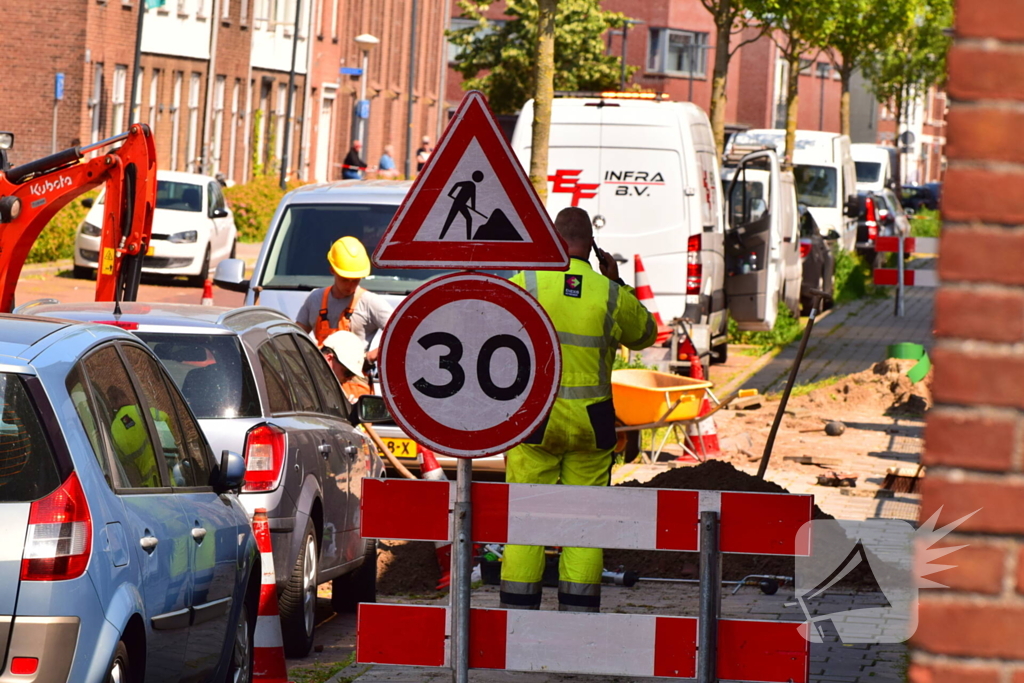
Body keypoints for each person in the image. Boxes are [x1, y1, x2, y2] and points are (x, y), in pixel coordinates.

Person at [500, 206, 657, 613]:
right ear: (592, 247)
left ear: (552, 242)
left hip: (536, 418)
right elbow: (645, 335)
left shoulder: (525, 282)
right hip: (592, 422)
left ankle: (518, 613)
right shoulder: (608, 293)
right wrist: (617, 280)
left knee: (526, 520)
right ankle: (578, 614)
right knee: (585, 523)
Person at [295, 236, 392, 361]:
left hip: (356, 378)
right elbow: (296, 337)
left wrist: (369, 357)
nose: (350, 286)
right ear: (332, 270)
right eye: (344, 279)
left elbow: (401, 334)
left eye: (355, 280)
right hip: (321, 377)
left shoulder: (370, 302)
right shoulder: (315, 299)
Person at [321, 330, 372, 403]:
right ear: (329, 359)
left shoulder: (330, 385)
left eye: (352, 375)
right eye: (347, 373)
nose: (348, 379)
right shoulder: (308, 379)